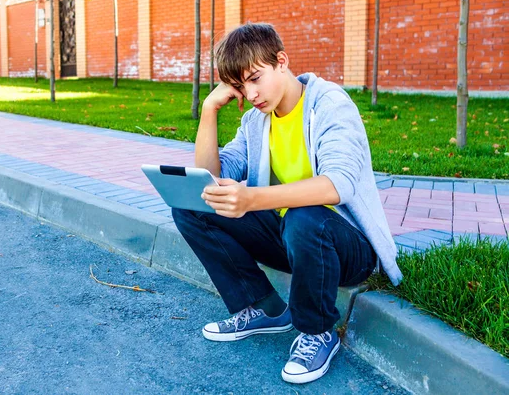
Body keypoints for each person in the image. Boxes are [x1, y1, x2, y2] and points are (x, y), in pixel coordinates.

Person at [172, 22, 403, 385]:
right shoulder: (256, 121)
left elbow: (337, 184)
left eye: (255, 78)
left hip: (347, 248)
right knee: (194, 206)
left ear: (282, 61)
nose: (250, 94)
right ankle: (264, 308)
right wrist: (209, 110)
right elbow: (211, 177)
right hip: (293, 238)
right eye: (240, 86)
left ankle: (317, 332)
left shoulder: (330, 104)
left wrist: (252, 198)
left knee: (305, 215)